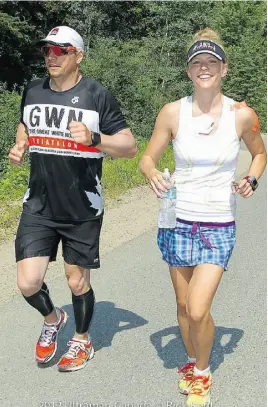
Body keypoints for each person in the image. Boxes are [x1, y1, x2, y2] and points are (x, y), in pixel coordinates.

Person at [139, 28, 266, 406]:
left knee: (198, 308)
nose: (205, 68)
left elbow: (260, 154)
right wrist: (151, 173)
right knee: (182, 307)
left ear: (224, 69)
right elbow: (148, 157)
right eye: (198, 62)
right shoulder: (172, 112)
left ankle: (204, 373)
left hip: (218, 223)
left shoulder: (241, 115)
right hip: (177, 220)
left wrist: (252, 179)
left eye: (212, 62)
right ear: (189, 71)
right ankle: (193, 360)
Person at [9, 26, 137, 372]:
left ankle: (82, 340)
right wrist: (21, 143)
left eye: (60, 50)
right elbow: (25, 123)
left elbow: (129, 146)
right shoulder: (33, 90)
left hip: (82, 207)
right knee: (27, 282)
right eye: (47, 50)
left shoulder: (97, 95)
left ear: (78, 55)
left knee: (76, 280)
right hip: (39, 203)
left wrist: (95, 138)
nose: (52, 56)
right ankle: (53, 319)